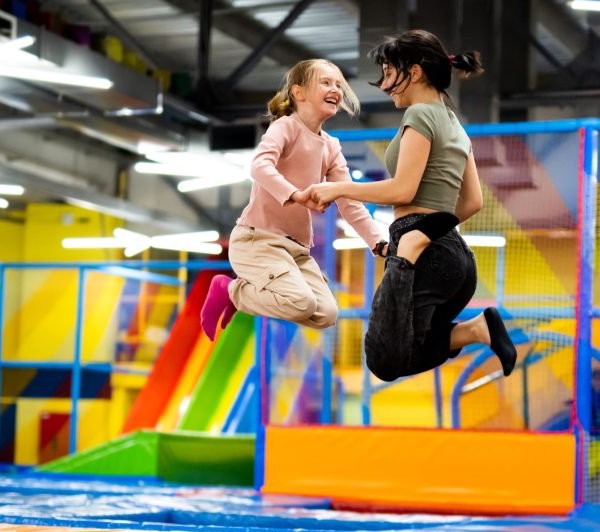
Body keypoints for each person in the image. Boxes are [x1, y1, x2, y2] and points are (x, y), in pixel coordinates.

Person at [307, 30, 516, 382]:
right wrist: (437, 229)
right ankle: (475, 330)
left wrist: (338, 188)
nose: (385, 85)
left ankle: (420, 257)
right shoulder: (455, 125)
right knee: (405, 350)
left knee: (384, 358)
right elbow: (473, 201)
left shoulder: (419, 115)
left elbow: (404, 189)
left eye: (389, 74)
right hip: (457, 260)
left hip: (419, 250)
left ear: (415, 72)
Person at [199, 59, 386, 340]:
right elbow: (260, 166)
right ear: (298, 93)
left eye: (338, 84)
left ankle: (237, 295)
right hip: (257, 240)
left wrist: (377, 242)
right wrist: (296, 195)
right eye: (325, 82)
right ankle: (230, 291)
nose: (335, 88)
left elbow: (348, 200)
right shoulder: (285, 127)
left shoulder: (331, 147)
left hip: (295, 251)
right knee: (302, 302)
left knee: (326, 313)